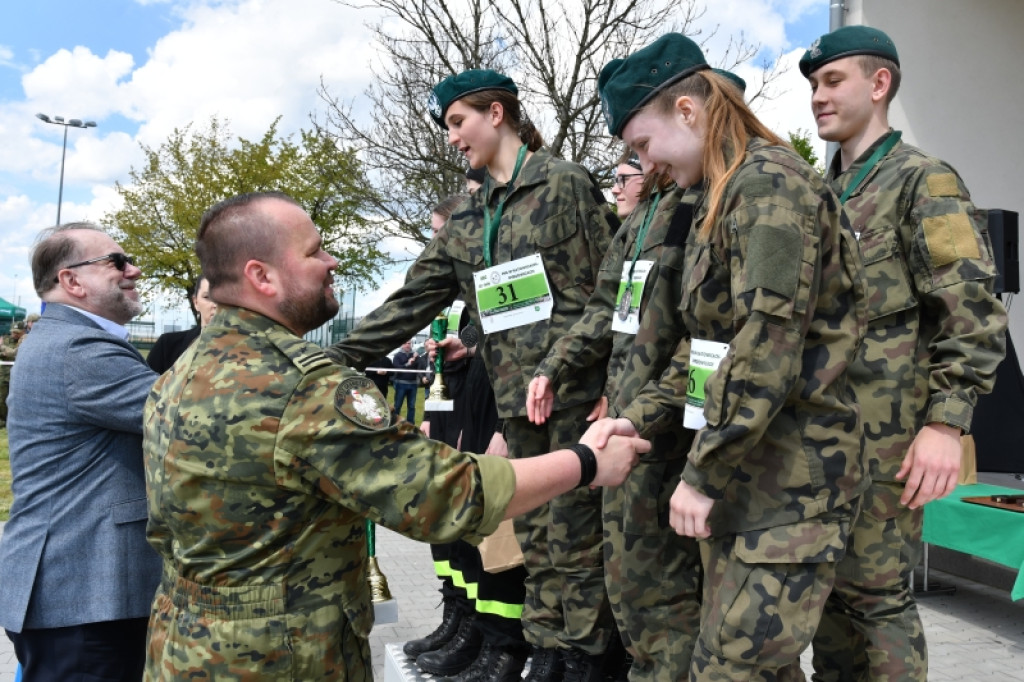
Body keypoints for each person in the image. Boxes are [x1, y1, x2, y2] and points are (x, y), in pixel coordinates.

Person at [141, 191, 647, 681]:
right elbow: (444, 494)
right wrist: (585, 461)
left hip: (185, 646)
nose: (332, 261)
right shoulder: (300, 387)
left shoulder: (183, 371)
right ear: (262, 276)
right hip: (277, 658)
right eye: (315, 251)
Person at [327, 69, 621, 680]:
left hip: (579, 398)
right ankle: (547, 652)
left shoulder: (566, 184)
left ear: (497, 113)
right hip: (517, 406)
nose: (453, 137)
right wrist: (327, 361)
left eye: (458, 122)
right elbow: (408, 303)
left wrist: (616, 386)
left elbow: (613, 292)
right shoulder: (466, 220)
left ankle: (588, 659)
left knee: (579, 543)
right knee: (537, 540)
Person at [594, 33, 870, 680]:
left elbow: (764, 345)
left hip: (790, 483)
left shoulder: (768, 188)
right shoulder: (724, 195)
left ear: (688, 112)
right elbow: (706, 345)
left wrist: (703, 470)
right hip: (751, 478)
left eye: (642, 145)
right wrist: (638, 418)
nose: (647, 164)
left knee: (734, 669)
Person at [799, 26, 1007, 682]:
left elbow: (972, 308)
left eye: (832, 81)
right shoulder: (820, 194)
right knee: (830, 598)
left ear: (879, 83)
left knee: (878, 600)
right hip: (819, 441)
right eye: (813, 86)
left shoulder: (923, 181)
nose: (817, 98)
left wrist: (946, 424)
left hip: (888, 444)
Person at [528, 144, 703, 681]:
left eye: (642, 148)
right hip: (628, 425)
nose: (624, 178)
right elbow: (607, 308)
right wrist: (555, 365)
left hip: (671, 428)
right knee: (627, 580)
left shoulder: (699, 206)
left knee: (662, 590)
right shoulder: (641, 219)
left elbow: (706, 335)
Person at [0, 223, 161, 681]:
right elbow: (189, 412)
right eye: (116, 262)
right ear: (71, 280)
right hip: (84, 594)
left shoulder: (70, 340)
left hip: (80, 597)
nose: (134, 269)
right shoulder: (79, 348)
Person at [147, 275, 218, 373]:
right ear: (196, 302)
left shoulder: (244, 348)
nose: (216, 304)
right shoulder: (167, 346)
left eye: (223, 298)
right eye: (207, 297)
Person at [0, 321, 25, 429]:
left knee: (16, 399)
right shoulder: (5, 338)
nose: (15, 334)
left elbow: (16, 353)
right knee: (2, 398)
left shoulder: (25, 339)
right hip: (4, 374)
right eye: (13, 332)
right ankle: (3, 420)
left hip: (18, 374)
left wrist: (3, 349)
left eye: (17, 332)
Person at [392, 339, 422, 422]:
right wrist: (407, 364)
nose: (407, 345)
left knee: (411, 406)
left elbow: (420, 365)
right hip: (400, 384)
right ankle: (395, 423)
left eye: (409, 343)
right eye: (405, 343)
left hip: (413, 385)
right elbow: (397, 368)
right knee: (397, 405)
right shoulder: (397, 355)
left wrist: (417, 357)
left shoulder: (415, 355)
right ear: (402, 345)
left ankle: (410, 424)